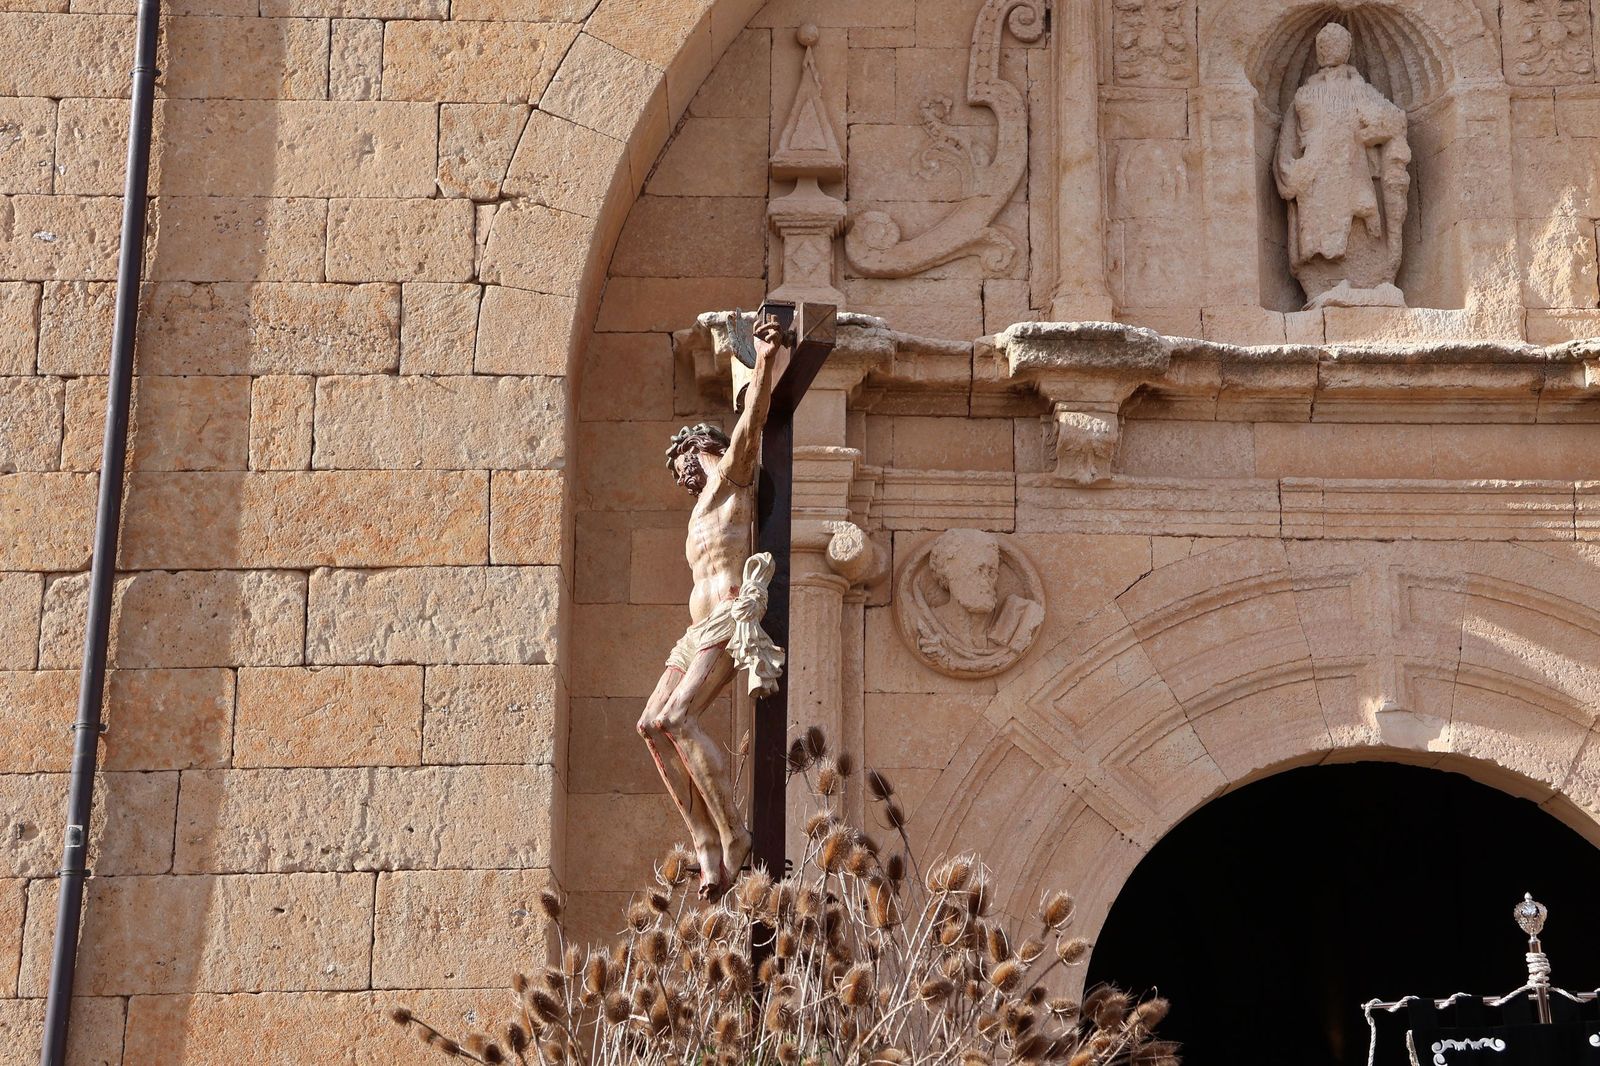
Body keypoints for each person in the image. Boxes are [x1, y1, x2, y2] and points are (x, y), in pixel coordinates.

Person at [636, 317, 788, 900]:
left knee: (678, 718)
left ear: (709, 450)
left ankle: (733, 836)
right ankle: (703, 842)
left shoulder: (731, 481)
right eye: (678, 468)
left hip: (727, 615)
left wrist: (766, 361)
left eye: (687, 459)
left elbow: (752, 425)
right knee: (650, 725)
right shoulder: (699, 512)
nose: (683, 472)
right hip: (694, 630)